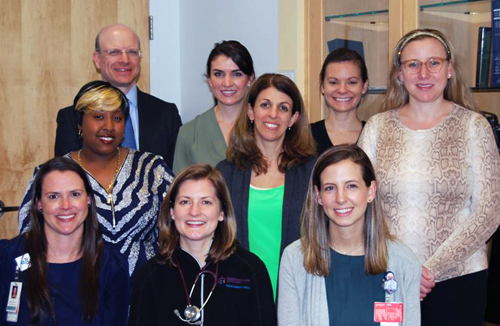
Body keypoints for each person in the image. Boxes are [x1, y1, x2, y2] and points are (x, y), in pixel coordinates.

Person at [358, 28, 500, 326]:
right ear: (400, 73)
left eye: (433, 62)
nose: (424, 73)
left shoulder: (474, 127)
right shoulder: (376, 128)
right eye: (413, 64)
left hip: (458, 280)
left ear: (449, 69)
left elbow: (490, 210)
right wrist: (400, 267)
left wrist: (430, 271)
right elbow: (360, 200)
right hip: (389, 277)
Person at [19, 81, 174, 278]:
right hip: (77, 290)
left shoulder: (152, 168)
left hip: (147, 290)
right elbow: (30, 236)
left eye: (117, 118)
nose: (108, 126)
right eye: (98, 117)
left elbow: (178, 223)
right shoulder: (51, 175)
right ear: (80, 123)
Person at [277, 145, 421, 326]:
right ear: (318, 196)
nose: (341, 198)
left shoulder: (404, 262)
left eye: (351, 186)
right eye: (330, 188)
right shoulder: (296, 259)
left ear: (371, 191)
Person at [129, 164, 276, 326]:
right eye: (185, 202)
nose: (194, 212)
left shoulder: (250, 270)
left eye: (206, 202)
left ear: (222, 213)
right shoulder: (150, 275)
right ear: (172, 211)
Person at [217, 73, 316, 296]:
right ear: (251, 112)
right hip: (238, 293)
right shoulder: (226, 173)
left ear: (293, 118)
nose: (273, 114)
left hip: (299, 291)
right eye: (265, 105)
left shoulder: (311, 172)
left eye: (283, 108)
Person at [1, 157, 129, 325]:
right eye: (53, 196)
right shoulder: (7, 257)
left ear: (89, 199)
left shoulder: (111, 267)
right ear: (39, 204)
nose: (66, 205)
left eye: (75, 194)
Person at [55, 23, 182, 168]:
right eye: (114, 52)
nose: (125, 60)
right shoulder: (71, 117)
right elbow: (65, 178)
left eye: (132, 52)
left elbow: (175, 177)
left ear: (139, 59)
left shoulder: (166, 114)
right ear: (97, 59)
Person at [173, 41, 255, 175]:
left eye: (236, 74)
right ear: (209, 80)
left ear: (250, 79)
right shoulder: (189, 133)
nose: (227, 83)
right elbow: (180, 191)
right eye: (219, 74)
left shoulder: (265, 128)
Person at [310, 48, 369, 154]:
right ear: (322, 86)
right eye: (333, 82)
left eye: (351, 82)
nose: (342, 90)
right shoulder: (305, 137)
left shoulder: (376, 135)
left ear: (364, 86)